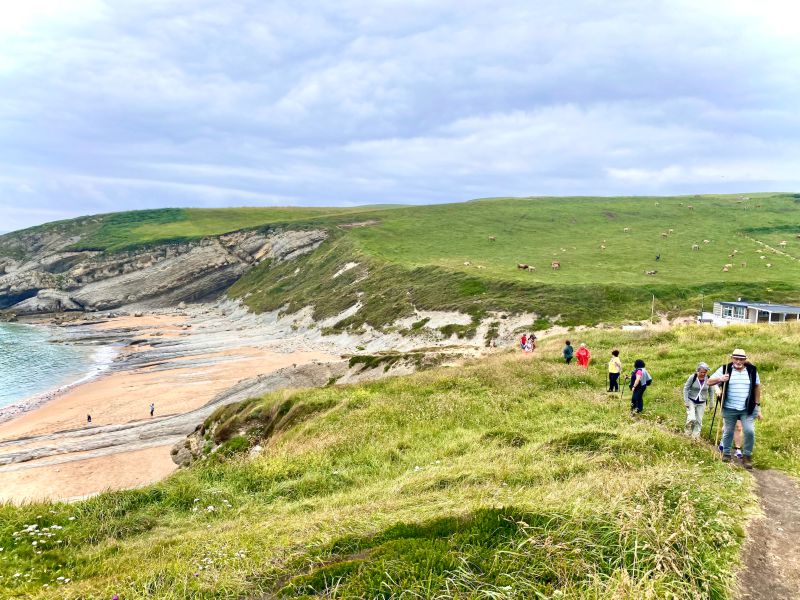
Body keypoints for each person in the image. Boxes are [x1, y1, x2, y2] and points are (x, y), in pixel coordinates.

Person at [708, 348, 761, 469]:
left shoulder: (752, 370)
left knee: (749, 431)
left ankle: (747, 456)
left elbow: (757, 387)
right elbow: (709, 382)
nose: (738, 361)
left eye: (741, 359)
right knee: (728, 431)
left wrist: (757, 405)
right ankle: (726, 453)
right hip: (729, 407)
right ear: (732, 358)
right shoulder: (725, 369)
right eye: (736, 358)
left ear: (745, 360)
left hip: (747, 408)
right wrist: (720, 379)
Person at [683, 362, 713, 438]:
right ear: (698, 371)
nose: (703, 374)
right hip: (691, 400)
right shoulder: (692, 377)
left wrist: (711, 403)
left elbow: (711, 391)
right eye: (701, 372)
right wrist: (686, 401)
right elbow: (686, 389)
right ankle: (687, 434)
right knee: (692, 418)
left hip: (702, 402)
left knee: (699, 420)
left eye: (705, 372)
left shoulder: (708, 378)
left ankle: (695, 437)